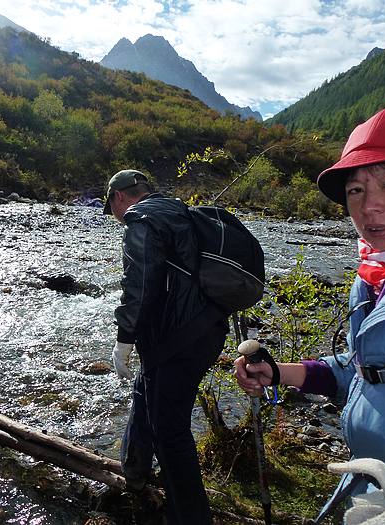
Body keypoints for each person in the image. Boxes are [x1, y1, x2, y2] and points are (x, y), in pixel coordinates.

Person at [234, 105, 385, 508]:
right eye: (356, 189)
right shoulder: (377, 273)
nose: (368, 205)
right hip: (377, 485)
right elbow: (367, 369)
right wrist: (279, 372)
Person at [104, 169, 228, 524]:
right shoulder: (179, 211)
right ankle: (135, 471)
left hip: (177, 339)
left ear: (119, 197)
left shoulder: (140, 219)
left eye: (111, 206)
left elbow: (140, 286)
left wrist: (124, 339)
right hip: (205, 330)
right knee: (146, 392)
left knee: (170, 432)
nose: (115, 216)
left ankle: (189, 517)